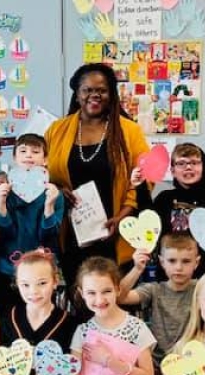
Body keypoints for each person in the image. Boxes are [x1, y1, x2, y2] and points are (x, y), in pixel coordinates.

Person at [45, 63, 150, 286]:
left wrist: (123, 214)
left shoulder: (129, 131)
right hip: (71, 232)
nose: (94, 95)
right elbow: (41, 172)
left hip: (116, 230)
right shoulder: (57, 130)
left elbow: (145, 177)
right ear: (77, 94)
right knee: (79, 297)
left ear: (111, 94)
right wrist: (56, 190)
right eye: (87, 90)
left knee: (111, 298)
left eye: (101, 90)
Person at [119, 233, 205, 373]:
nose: (178, 267)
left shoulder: (202, 287)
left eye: (186, 261)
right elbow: (120, 297)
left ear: (196, 262)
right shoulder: (154, 290)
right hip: (158, 365)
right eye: (172, 261)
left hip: (192, 365)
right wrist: (137, 269)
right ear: (162, 262)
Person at [0, 134, 64, 313]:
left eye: (35, 151)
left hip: (43, 269)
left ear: (45, 159)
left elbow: (50, 235)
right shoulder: (5, 191)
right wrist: (1, 204)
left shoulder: (54, 193)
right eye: (23, 151)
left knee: (41, 313)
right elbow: (2, 235)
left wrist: (49, 205)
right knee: (10, 315)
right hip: (9, 267)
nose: (29, 156)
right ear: (15, 158)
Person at [149, 143, 205, 278]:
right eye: (181, 163)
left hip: (204, 273)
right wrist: (140, 187)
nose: (188, 167)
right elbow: (147, 223)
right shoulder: (164, 198)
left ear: (203, 167)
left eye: (194, 162)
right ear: (173, 171)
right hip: (168, 275)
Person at [71, 257, 156, 375]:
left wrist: (109, 361)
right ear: (82, 293)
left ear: (118, 289)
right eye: (91, 293)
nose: (100, 300)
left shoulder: (137, 329)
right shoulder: (82, 332)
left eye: (106, 291)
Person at [0, 249, 78, 357]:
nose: (34, 291)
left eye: (42, 283)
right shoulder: (9, 318)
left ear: (55, 281)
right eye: (26, 285)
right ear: (17, 283)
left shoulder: (69, 324)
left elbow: (70, 365)